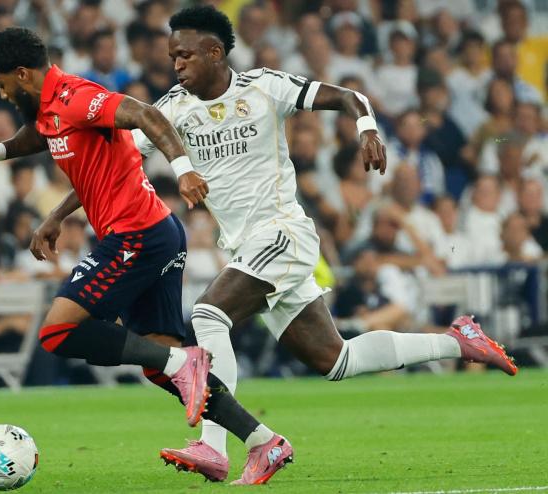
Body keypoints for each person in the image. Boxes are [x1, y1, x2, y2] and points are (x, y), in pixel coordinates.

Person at [135, 6, 518, 485]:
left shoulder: (264, 86)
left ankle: (216, 446)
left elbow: (348, 96)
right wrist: (60, 212)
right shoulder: (173, 107)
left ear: (214, 52)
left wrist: (367, 129)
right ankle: (459, 341)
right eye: (173, 56)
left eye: (185, 55)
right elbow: (117, 162)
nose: (176, 64)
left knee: (209, 315)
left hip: (282, 234)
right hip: (246, 249)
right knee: (336, 359)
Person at [0, 27, 271, 449]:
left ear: (21, 73)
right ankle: (263, 442)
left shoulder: (76, 97)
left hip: (139, 233)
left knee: (57, 333)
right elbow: (46, 136)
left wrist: (183, 168)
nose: (1, 94)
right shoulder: (49, 109)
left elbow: (146, 115)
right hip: (158, 232)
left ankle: (182, 361)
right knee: (158, 364)